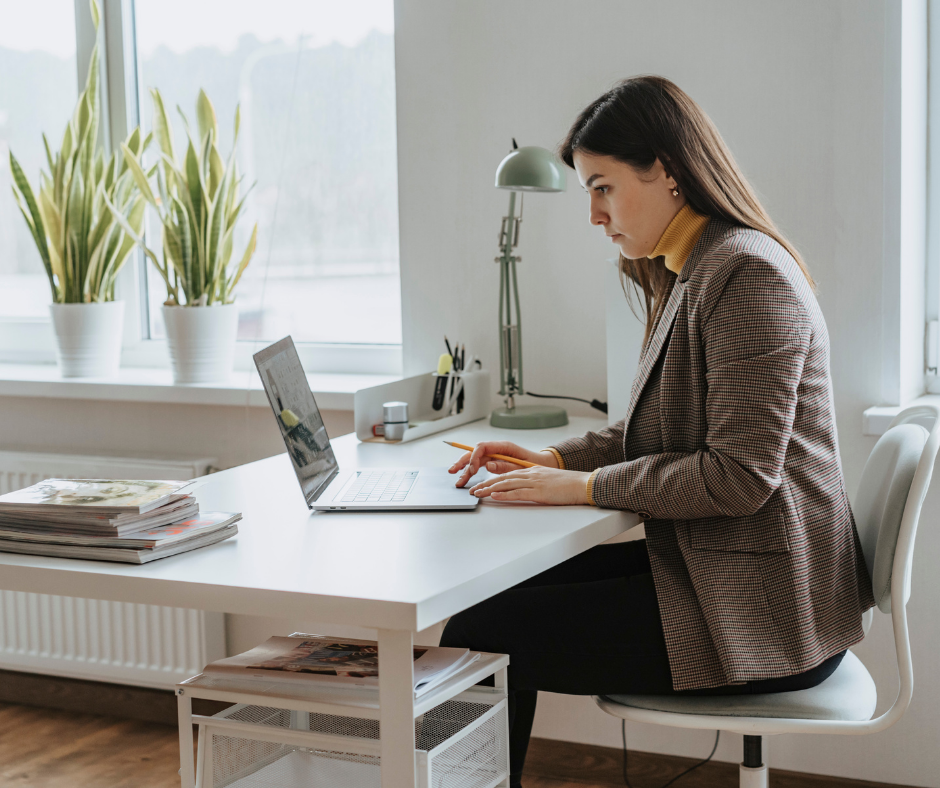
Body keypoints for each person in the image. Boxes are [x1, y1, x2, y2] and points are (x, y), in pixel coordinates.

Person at [443, 76, 874, 788]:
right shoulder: (689, 271)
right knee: (484, 608)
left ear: (667, 172)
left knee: (483, 634)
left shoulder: (746, 275)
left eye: (603, 187)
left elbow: (737, 476)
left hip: (766, 612)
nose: (592, 214)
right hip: (723, 573)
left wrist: (581, 487)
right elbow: (657, 429)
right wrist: (552, 457)